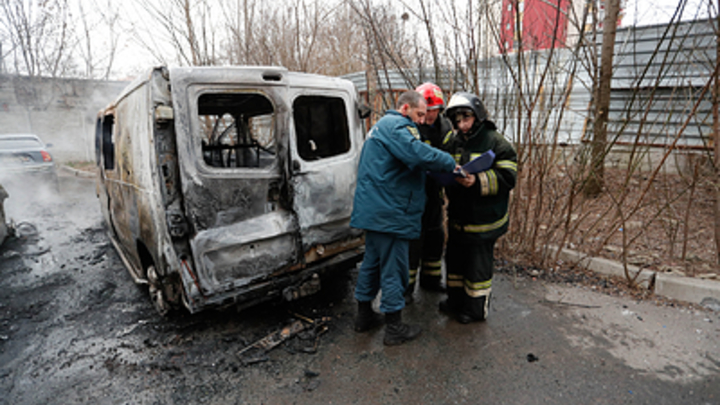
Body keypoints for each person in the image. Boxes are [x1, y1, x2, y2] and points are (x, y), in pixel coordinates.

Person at [351, 90, 458, 346]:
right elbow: (416, 153)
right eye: (419, 114)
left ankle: (363, 316)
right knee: (394, 269)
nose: (422, 120)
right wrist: (450, 163)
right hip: (390, 212)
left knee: (372, 264)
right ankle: (394, 327)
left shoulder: (380, 127)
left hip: (374, 211)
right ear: (405, 109)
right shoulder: (397, 125)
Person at [440, 92, 517, 324]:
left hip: (485, 220)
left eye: (466, 119)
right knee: (454, 261)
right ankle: (455, 300)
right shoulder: (452, 141)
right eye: (457, 121)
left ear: (478, 116)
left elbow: (508, 177)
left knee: (477, 267)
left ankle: (475, 310)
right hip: (458, 217)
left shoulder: (497, 142)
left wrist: (477, 181)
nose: (462, 125)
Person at [405, 82, 455, 303]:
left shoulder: (445, 128)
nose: (432, 115)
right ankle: (405, 289)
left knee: (435, 237)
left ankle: (431, 280)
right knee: (412, 242)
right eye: (429, 110)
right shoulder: (409, 127)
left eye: (436, 110)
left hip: (435, 192)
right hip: (413, 193)